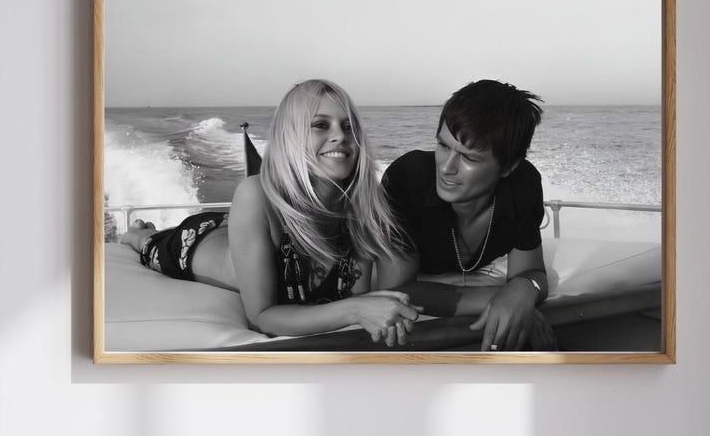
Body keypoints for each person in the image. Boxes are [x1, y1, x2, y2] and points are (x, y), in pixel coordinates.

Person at [121, 79, 420, 346]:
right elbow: (261, 317)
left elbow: (359, 292)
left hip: (246, 229)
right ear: (291, 137)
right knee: (148, 243)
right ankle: (140, 233)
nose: (340, 136)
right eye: (320, 125)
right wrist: (355, 310)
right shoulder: (254, 193)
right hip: (194, 242)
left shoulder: (364, 205)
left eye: (348, 126)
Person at [378, 79, 555, 352]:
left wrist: (524, 288)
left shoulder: (522, 184)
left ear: (509, 166)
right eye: (443, 145)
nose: (446, 168)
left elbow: (532, 273)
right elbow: (394, 291)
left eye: (469, 158)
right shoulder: (409, 178)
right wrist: (501, 297)